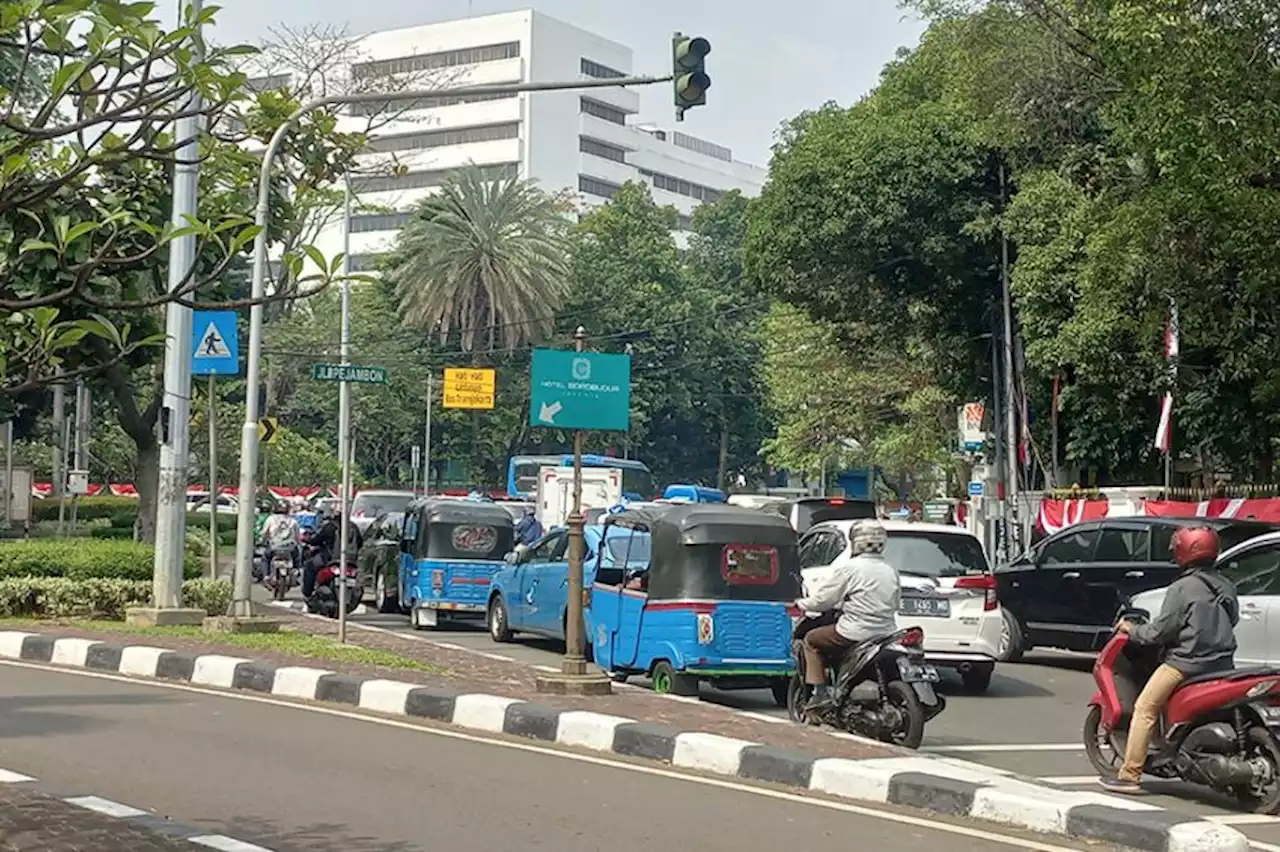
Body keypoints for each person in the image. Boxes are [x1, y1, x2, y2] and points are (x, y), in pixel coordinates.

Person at [1099, 526, 1238, 794]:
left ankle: (1129, 775)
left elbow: (1160, 631)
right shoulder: (1225, 584)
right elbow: (1232, 619)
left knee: (1145, 708)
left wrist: (1132, 629)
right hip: (1222, 663)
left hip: (1186, 663)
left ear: (1184, 551)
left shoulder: (1182, 588)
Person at [794, 519, 900, 711]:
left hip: (853, 632)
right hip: (886, 633)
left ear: (855, 542)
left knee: (811, 640)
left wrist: (802, 604)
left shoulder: (851, 569)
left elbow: (824, 600)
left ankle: (820, 694)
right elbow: (895, 602)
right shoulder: (890, 570)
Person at [259, 500, 301, 581]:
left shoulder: (270, 519)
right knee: (297, 558)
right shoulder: (293, 521)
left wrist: (262, 541)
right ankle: (296, 571)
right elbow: (297, 536)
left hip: (274, 546)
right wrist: (299, 544)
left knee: (265, 559)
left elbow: (264, 533)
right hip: (290, 548)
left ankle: (266, 576)